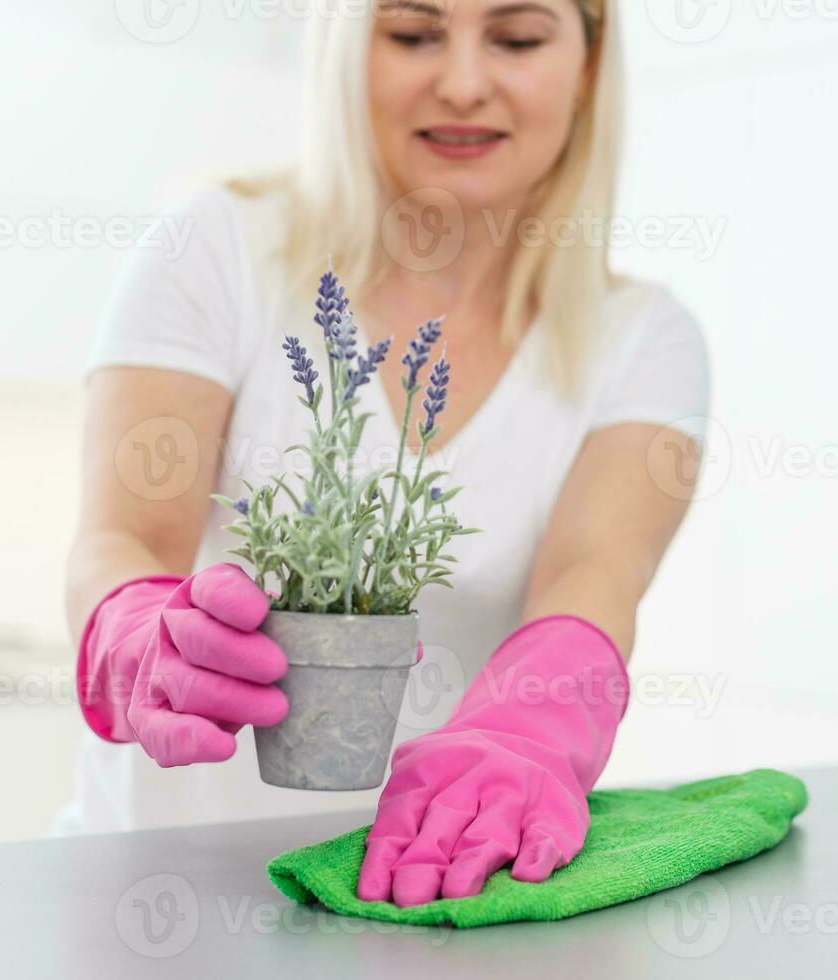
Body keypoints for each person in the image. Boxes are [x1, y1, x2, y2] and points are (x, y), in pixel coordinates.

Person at [53, 0, 710, 907]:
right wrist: (131, 631)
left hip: (435, 899)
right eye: (413, 33)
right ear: (346, 48)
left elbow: (592, 575)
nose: (465, 81)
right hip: (159, 901)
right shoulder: (213, 251)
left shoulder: (642, 341)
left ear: (590, 63)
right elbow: (119, 539)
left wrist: (529, 731)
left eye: (517, 39)